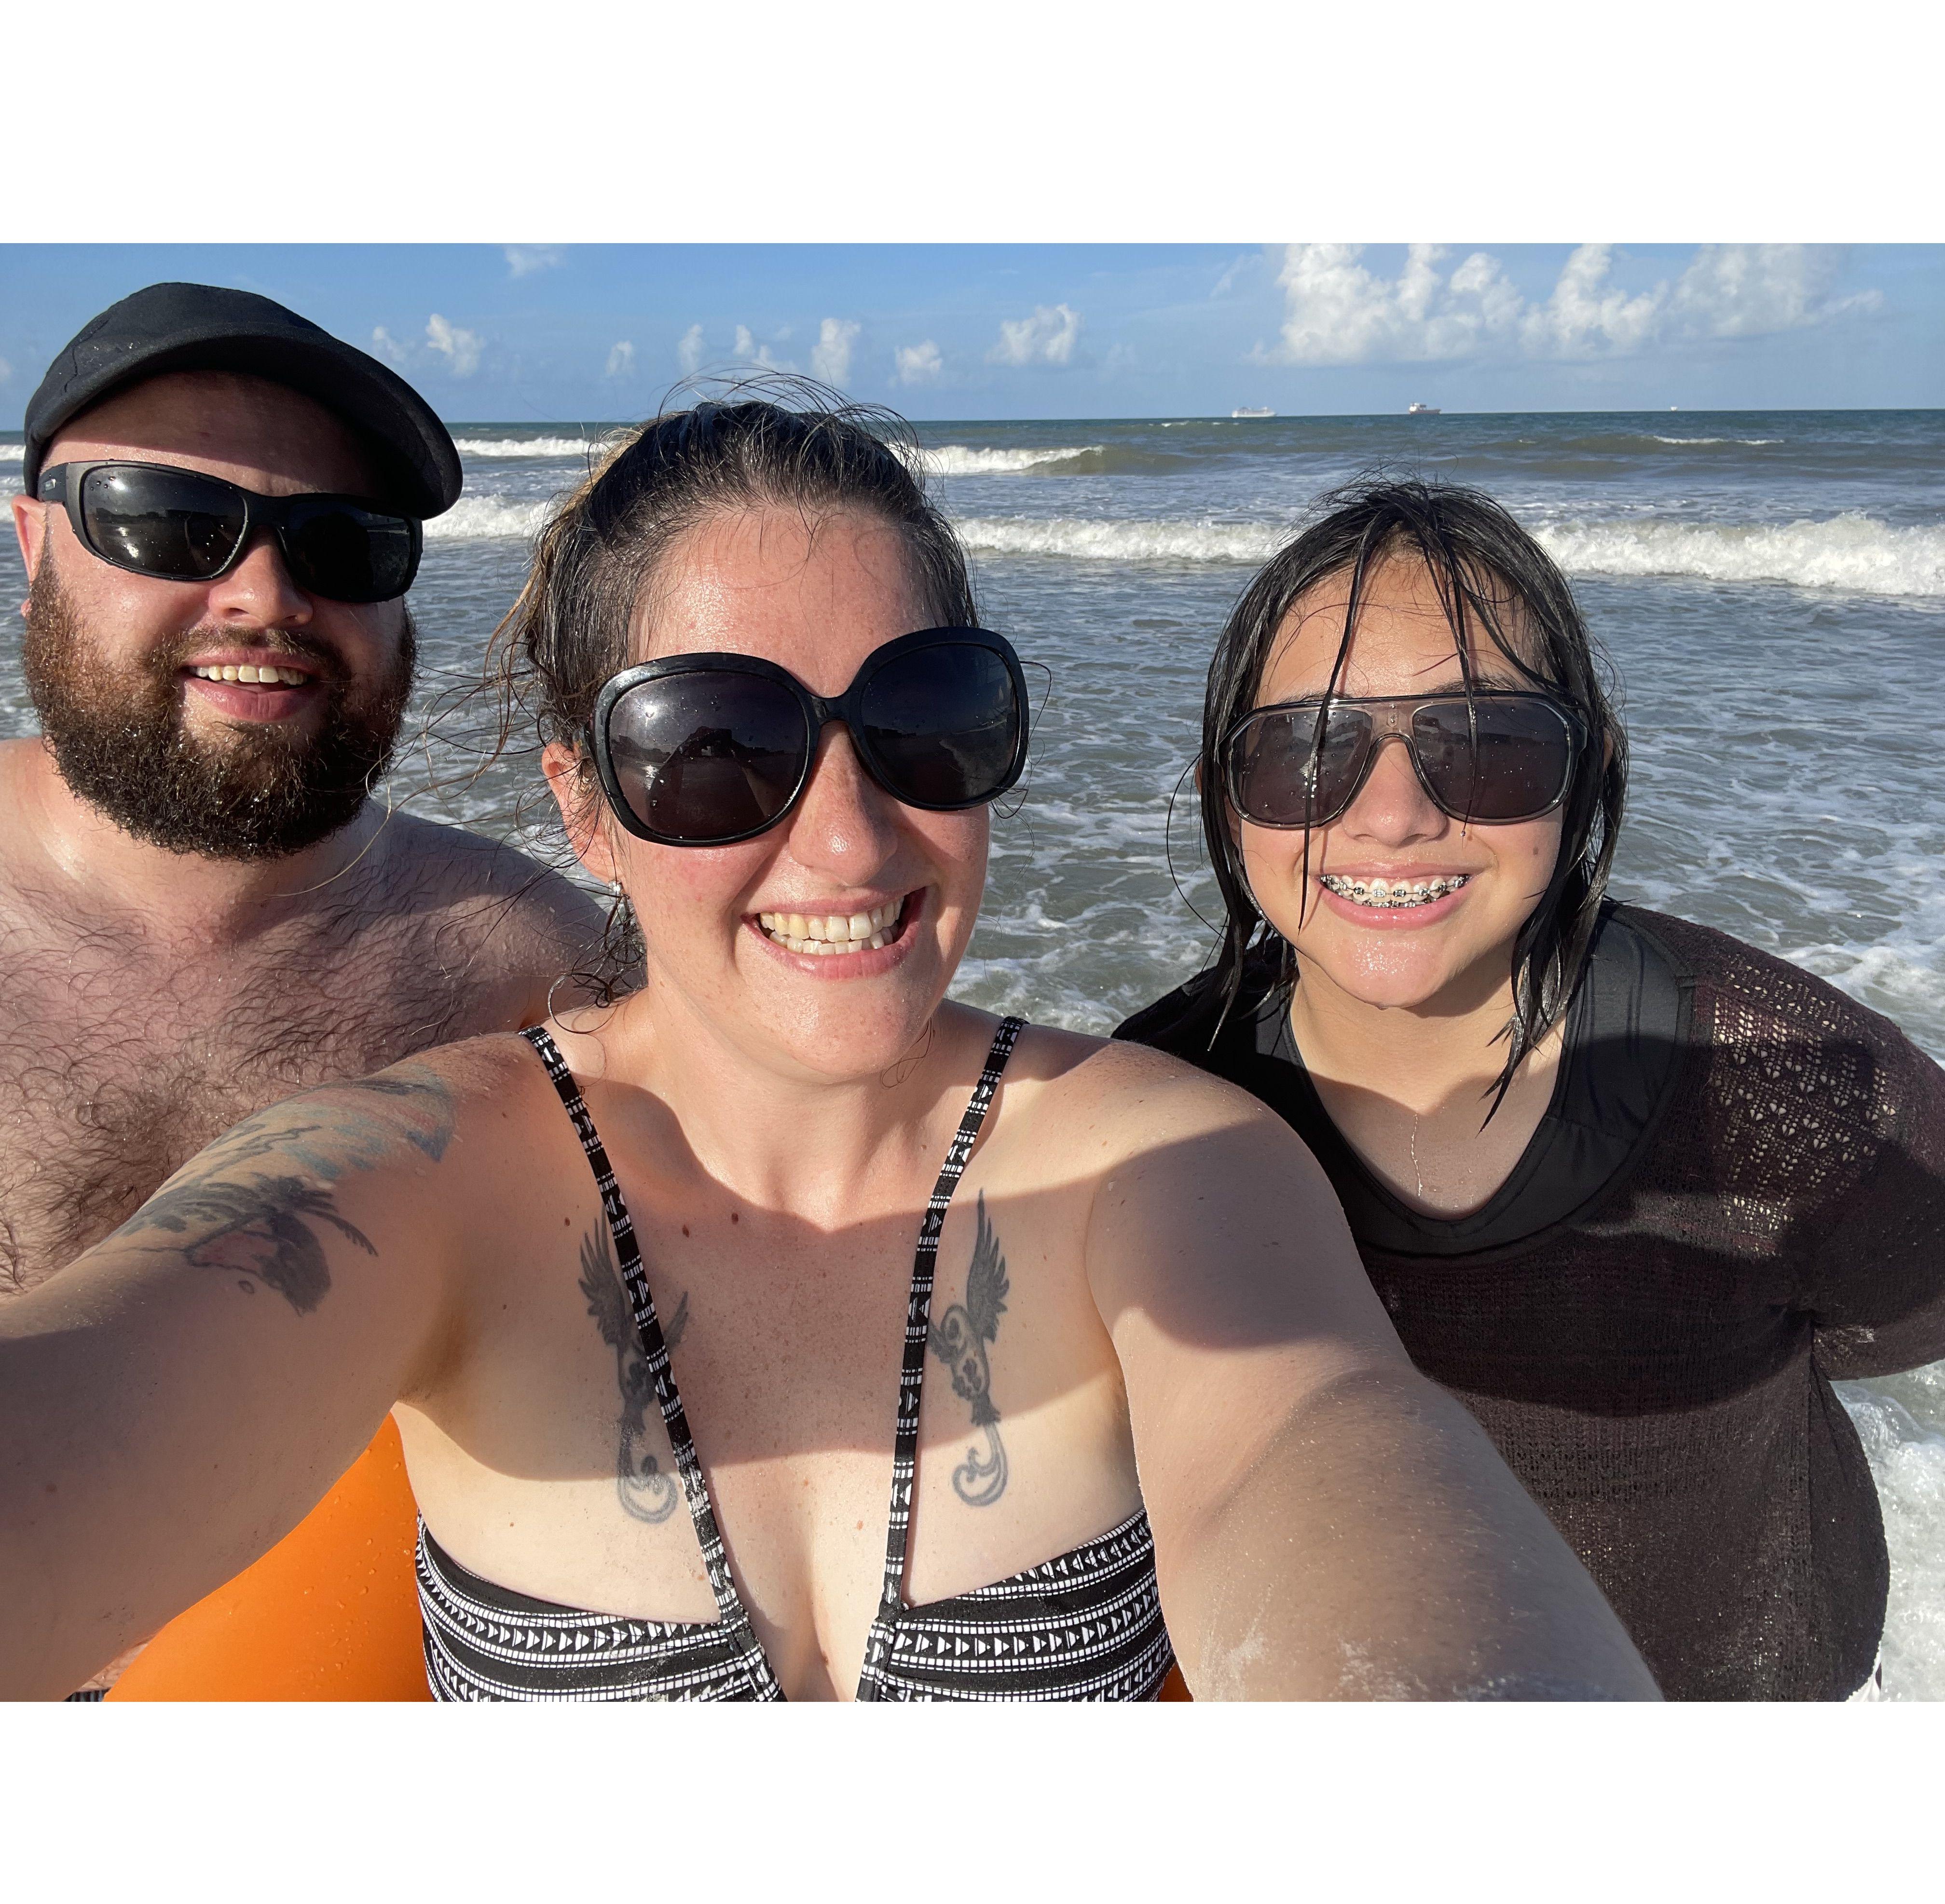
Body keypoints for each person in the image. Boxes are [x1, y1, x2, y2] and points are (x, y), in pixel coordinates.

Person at [0, 399, 1658, 1702]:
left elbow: (1331, 1451)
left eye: (924, 716)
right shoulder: (424, 1175)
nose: (853, 840)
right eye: (718, 746)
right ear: (584, 797)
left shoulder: (1166, 1160)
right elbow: (124, 1369)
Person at [1116, 476, 1945, 1701]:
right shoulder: (1155, 1120)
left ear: (1587, 767)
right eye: (1308, 751)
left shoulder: (1777, 1082)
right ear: (1223, 796)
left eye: (1486, 746)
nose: (1392, 816)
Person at [5, 283, 603, 1696]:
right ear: (28, 542)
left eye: (341, 543)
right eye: (166, 521)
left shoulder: (527, 959)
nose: (267, 597)